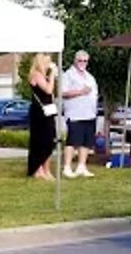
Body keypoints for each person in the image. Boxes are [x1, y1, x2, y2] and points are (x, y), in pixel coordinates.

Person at [60, 50, 98, 179]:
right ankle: (67, 167)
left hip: (89, 113)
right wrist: (81, 92)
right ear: (75, 61)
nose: (82, 63)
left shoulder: (89, 76)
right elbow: (63, 92)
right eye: (80, 60)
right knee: (72, 140)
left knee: (86, 142)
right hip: (75, 113)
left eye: (85, 61)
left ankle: (82, 166)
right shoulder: (68, 75)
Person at [27, 53, 58, 181]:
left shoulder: (44, 76)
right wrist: (52, 75)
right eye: (47, 62)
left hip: (48, 111)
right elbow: (48, 90)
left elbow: (51, 94)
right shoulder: (36, 74)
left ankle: (47, 169)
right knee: (40, 139)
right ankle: (37, 168)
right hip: (39, 112)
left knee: (49, 139)